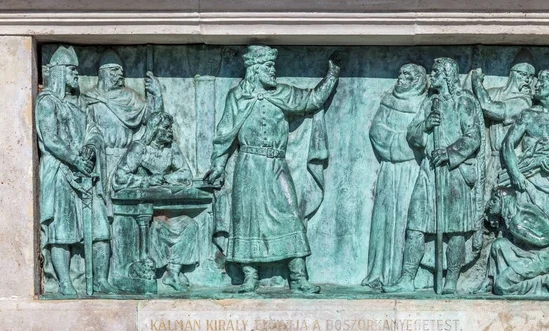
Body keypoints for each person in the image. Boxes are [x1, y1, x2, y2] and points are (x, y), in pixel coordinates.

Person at [204, 45, 340, 294]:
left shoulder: (283, 93)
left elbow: (311, 99)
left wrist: (332, 75)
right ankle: (249, 276)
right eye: (268, 67)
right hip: (249, 166)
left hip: (276, 165)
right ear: (255, 70)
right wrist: (218, 166)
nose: (273, 71)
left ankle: (298, 276)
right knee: (247, 220)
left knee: (290, 214)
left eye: (273, 66)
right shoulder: (237, 97)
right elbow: (225, 134)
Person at [384, 57, 485, 294]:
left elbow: (473, 137)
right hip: (430, 172)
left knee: (455, 230)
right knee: (416, 225)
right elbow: (413, 134)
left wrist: (450, 152)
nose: (433, 76)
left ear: (448, 75)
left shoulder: (464, 102)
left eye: (436, 72)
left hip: (454, 173)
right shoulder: (431, 103)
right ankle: (407, 278)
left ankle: (451, 280)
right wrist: (426, 126)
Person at [37, 46, 117, 295]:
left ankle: (101, 280)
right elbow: (50, 139)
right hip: (60, 173)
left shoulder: (80, 103)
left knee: (101, 227)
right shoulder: (47, 102)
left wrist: (91, 149)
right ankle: (64, 282)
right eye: (72, 70)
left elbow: (93, 131)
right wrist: (74, 159)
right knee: (62, 230)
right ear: (59, 72)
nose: (76, 75)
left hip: (86, 175)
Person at [502, 69, 549, 291]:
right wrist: (516, 174)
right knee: (528, 232)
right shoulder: (528, 115)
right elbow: (508, 145)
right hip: (530, 184)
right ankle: (527, 280)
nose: (536, 84)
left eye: (542, 82)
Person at [113, 112, 199, 292]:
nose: (170, 132)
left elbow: (185, 173)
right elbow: (120, 176)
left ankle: (173, 272)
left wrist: (167, 178)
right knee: (156, 228)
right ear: (154, 129)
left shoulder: (172, 149)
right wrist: (145, 181)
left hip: (167, 209)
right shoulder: (140, 148)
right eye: (166, 128)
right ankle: (148, 268)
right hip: (142, 211)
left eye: (170, 128)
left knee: (191, 225)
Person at [361, 63, 427, 290]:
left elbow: (426, 137)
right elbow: (376, 131)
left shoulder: (425, 103)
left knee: (410, 219)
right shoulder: (389, 101)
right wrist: (403, 142)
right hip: (390, 170)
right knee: (385, 218)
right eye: (400, 74)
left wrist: (411, 143)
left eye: (408, 76)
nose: (401, 79)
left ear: (418, 80)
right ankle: (379, 272)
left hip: (413, 170)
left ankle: (409, 275)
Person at [83, 49, 164, 178]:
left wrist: (157, 95)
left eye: (121, 70)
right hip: (101, 162)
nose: (120, 73)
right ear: (103, 73)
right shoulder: (90, 99)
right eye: (114, 70)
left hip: (128, 162)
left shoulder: (130, 97)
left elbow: (153, 122)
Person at [471, 49, 535, 201]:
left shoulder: (524, 102)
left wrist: (477, 84)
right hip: (491, 158)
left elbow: (489, 108)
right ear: (513, 74)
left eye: (531, 77)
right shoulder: (495, 92)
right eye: (523, 75)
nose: (527, 80)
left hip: (512, 161)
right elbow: (478, 105)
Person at [485, 188, 549, 296]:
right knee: (498, 244)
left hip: (546, 258)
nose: (490, 205)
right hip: (532, 252)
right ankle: (489, 281)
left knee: (501, 287)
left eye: (494, 201)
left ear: (504, 202)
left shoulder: (516, 225)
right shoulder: (524, 208)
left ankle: (544, 280)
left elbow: (541, 241)